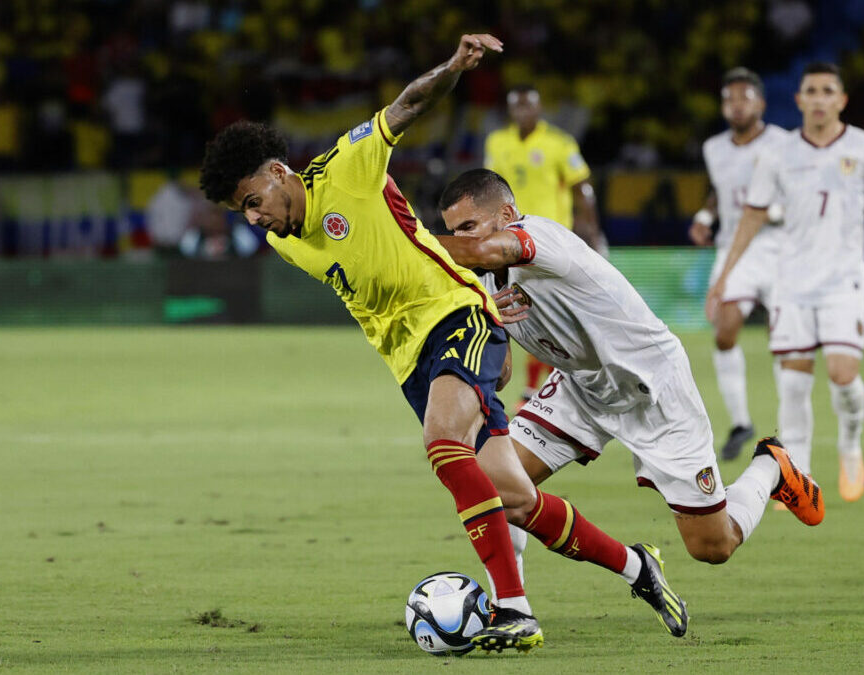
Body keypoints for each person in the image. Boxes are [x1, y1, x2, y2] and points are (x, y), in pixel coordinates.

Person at [199, 34, 676, 652]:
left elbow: (406, 106)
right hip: (410, 363)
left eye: (253, 201)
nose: (254, 218)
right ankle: (640, 567)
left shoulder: (348, 167)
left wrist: (453, 68)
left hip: (458, 320)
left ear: (277, 172)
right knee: (516, 499)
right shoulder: (282, 240)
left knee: (442, 443)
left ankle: (514, 608)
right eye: (242, 211)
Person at [436, 169, 823, 619]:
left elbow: (480, 250)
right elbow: (500, 373)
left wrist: (412, 241)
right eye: (452, 231)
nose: (460, 240)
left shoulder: (539, 237)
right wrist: (487, 322)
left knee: (713, 546)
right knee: (493, 485)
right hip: (581, 388)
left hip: (653, 389)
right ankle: (512, 609)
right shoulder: (483, 280)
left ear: (505, 215)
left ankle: (770, 467)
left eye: (468, 227)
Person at [707, 62, 864, 503]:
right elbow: (753, 215)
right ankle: (799, 482)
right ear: (799, 100)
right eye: (811, 91)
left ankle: (850, 442)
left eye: (827, 91)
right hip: (792, 282)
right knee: (795, 384)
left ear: (841, 100)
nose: (819, 98)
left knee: (842, 375)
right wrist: (724, 275)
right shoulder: (778, 154)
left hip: (843, 282)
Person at [689, 68, 791, 461]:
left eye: (744, 98)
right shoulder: (714, 147)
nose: (736, 105)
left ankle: (790, 430)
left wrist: (779, 209)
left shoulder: (783, 142)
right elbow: (720, 186)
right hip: (735, 247)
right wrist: (704, 214)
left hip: (780, 246)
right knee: (725, 329)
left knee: (786, 341)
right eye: (729, 99)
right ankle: (740, 422)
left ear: (761, 104)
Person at [484, 84, 605, 410]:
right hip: (511, 243)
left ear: (539, 110)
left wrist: (591, 231)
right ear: (511, 111)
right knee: (525, 312)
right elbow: (490, 191)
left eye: (529, 106)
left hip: (552, 243)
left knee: (549, 312)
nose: (523, 112)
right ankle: (542, 386)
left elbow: (583, 188)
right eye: (517, 106)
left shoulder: (559, 144)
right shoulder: (497, 142)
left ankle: (542, 385)